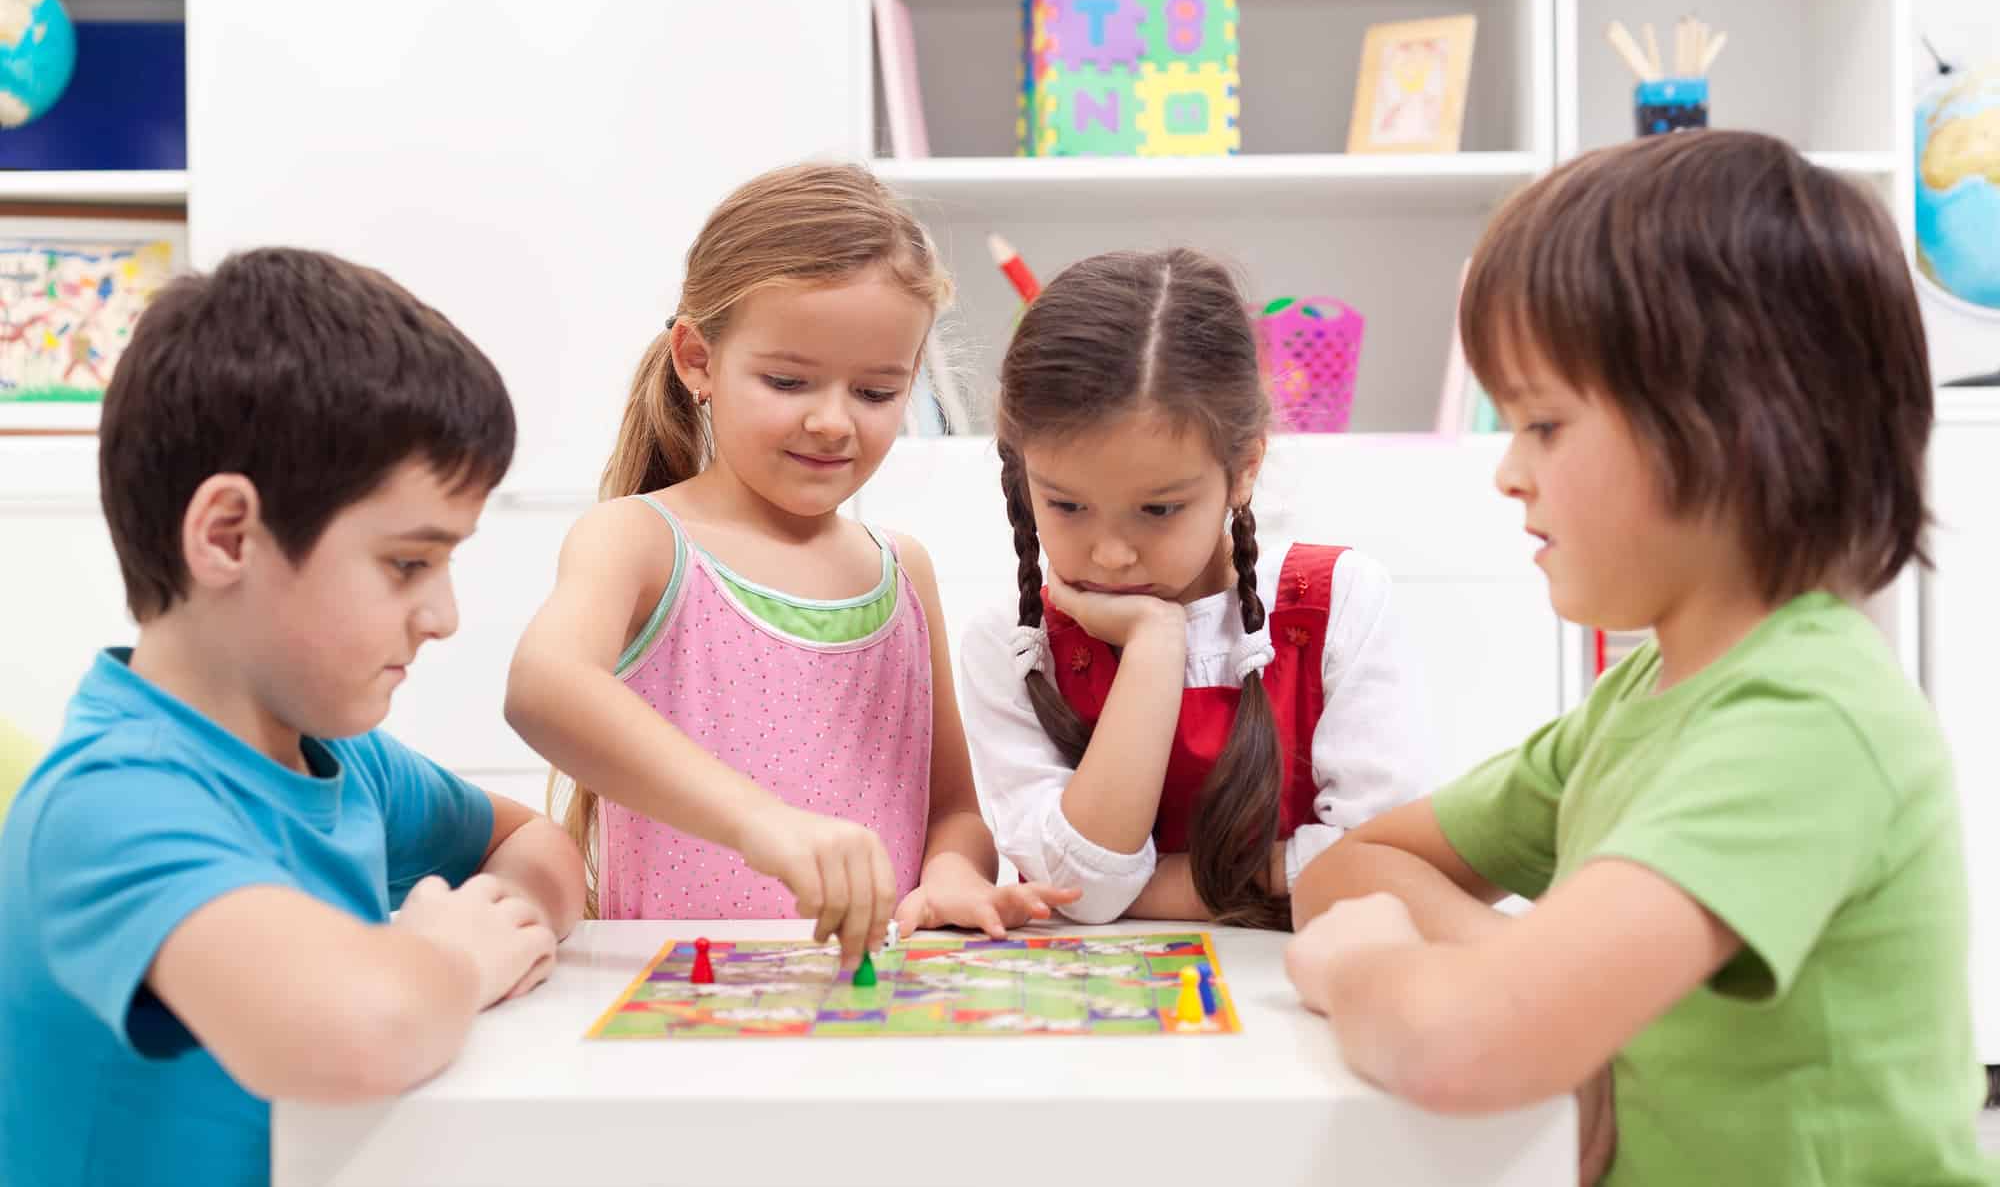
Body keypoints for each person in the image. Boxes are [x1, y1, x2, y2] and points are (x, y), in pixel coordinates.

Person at [1285, 130, 1995, 1185]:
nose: (1507, 474)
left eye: (1541, 424)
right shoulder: (1641, 696)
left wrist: (1375, 967)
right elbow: (1341, 864)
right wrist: (1543, 995)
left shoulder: (1805, 718)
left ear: (1730, 424)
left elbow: (1455, 1043)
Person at [0, 248, 587, 1187]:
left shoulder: (346, 760)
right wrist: (451, 966)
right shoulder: (107, 803)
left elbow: (543, 849)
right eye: (407, 564)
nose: (443, 616)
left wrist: (494, 924)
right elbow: (356, 1031)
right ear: (228, 535)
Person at [506, 163, 1076, 965]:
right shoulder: (638, 541)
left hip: (870, 1007)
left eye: (877, 393)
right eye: (787, 380)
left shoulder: (902, 572)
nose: (833, 421)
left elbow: (952, 810)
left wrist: (952, 871)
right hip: (677, 1011)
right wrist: (761, 822)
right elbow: (542, 688)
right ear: (698, 360)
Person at [958, 247, 1435, 929]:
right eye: (1065, 505)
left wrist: (1151, 891)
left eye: (1158, 510)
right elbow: (1084, 891)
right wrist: (1155, 644)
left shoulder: (1338, 602)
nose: (1112, 553)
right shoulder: (1013, 643)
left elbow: (1379, 859)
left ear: (1244, 469)